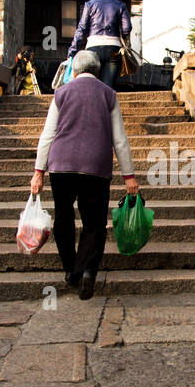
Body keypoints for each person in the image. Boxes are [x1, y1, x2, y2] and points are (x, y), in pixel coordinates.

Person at [31, 50, 139, 299]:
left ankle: (71, 270)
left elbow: (47, 135)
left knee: (64, 218)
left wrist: (39, 172)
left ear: (75, 72)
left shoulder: (61, 93)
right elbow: (120, 140)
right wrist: (129, 176)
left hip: (62, 166)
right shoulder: (108, 94)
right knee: (94, 223)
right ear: (98, 71)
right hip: (96, 168)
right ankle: (88, 270)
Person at [68, 0, 132, 88]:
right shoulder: (120, 5)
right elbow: (127, 27)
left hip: (93, 47)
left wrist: (72, 50)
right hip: (113, 48)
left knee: (92, 86)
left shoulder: (90, 4)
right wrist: (121, 35)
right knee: (108, 87)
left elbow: (82, 28)